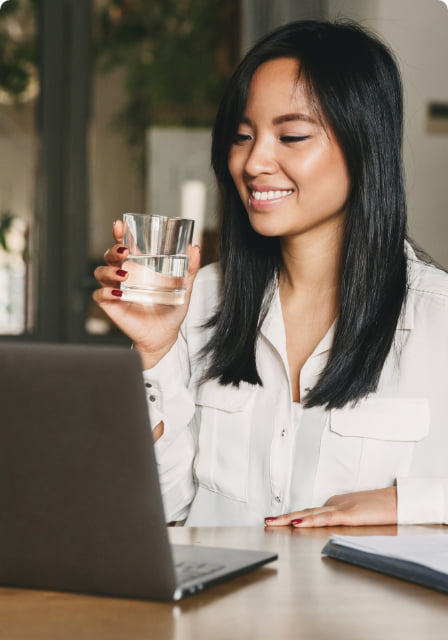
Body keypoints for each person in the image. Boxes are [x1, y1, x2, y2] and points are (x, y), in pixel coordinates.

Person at [93, 20, 448, 528]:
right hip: (217, 606)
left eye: (292, 135)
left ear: (364, 144)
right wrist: (156, 351)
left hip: (361, 610)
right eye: (242, 136)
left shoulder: (440, 319)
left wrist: (406, 503)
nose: (254, 161)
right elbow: (159, 512)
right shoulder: (197, 303)